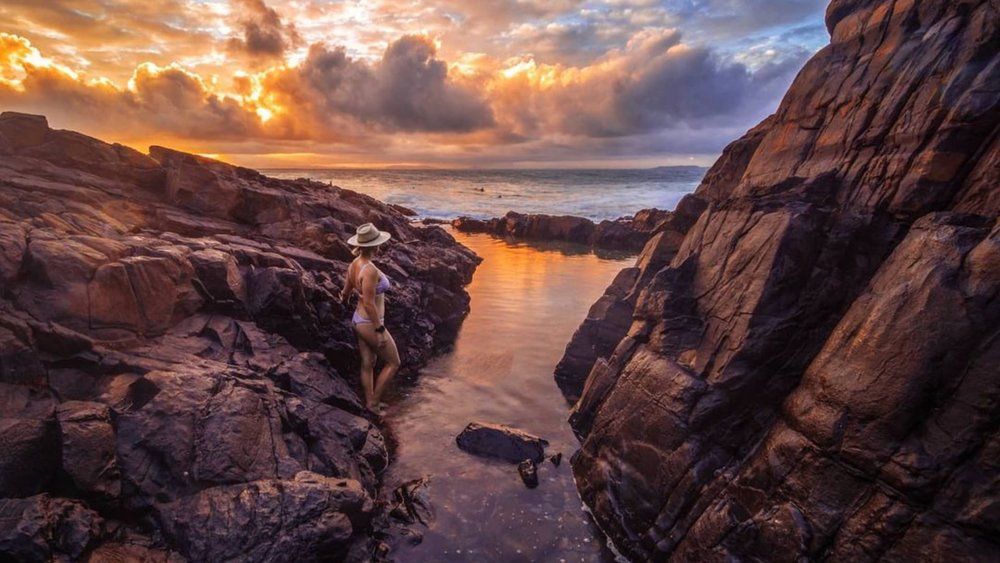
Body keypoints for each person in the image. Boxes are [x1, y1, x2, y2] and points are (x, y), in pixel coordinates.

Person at [339, 223, 401, 412]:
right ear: (375, 245)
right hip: (369, 322)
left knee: (368, 363)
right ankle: (374, 403)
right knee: (393, 363)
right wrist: (380, 330)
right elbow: (368, 303)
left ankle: (369, 403)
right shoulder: (370, 270)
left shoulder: (354, 264)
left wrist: (343, 299)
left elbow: (347, 290)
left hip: (358, 319)